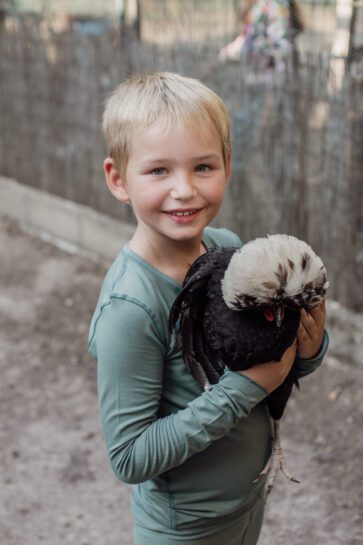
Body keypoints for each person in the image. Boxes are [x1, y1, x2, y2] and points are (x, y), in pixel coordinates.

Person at [88, 72, 328, 545]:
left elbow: (269, 361)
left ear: (227, 165)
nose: (185, 190)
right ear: (118, 179)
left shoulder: (229, 252)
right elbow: (129, 457)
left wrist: (311, 347)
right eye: (159, 171)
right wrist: (242, 390)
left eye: (203, 167)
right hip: (185, 530)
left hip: (247, 501)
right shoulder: (130, 309)